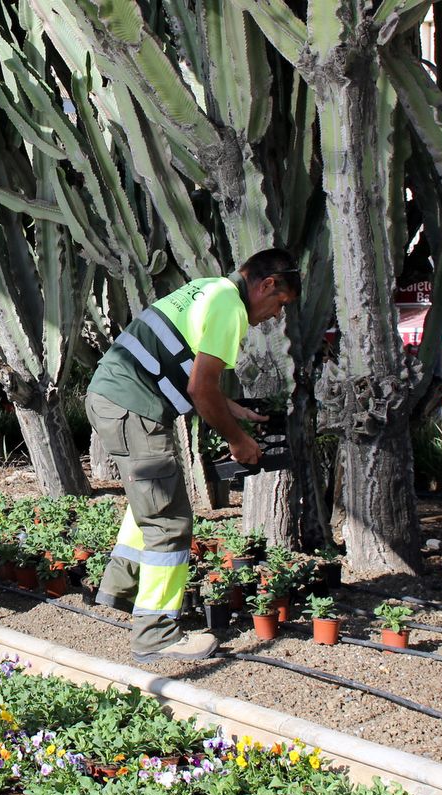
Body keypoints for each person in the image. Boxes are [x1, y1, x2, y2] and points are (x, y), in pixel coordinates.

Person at [86, 248, 300, 662]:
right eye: (279, 303)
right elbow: (200, 390)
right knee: (169, 521)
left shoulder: (208, 288)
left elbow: (187, 368)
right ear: (267, 284)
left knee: (151, 501)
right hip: (134, 407)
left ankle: (120, 588)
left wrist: (231, 408)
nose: (275, 315)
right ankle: (156, 635)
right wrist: (238, 440)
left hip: (112, 397)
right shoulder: (229, 307)